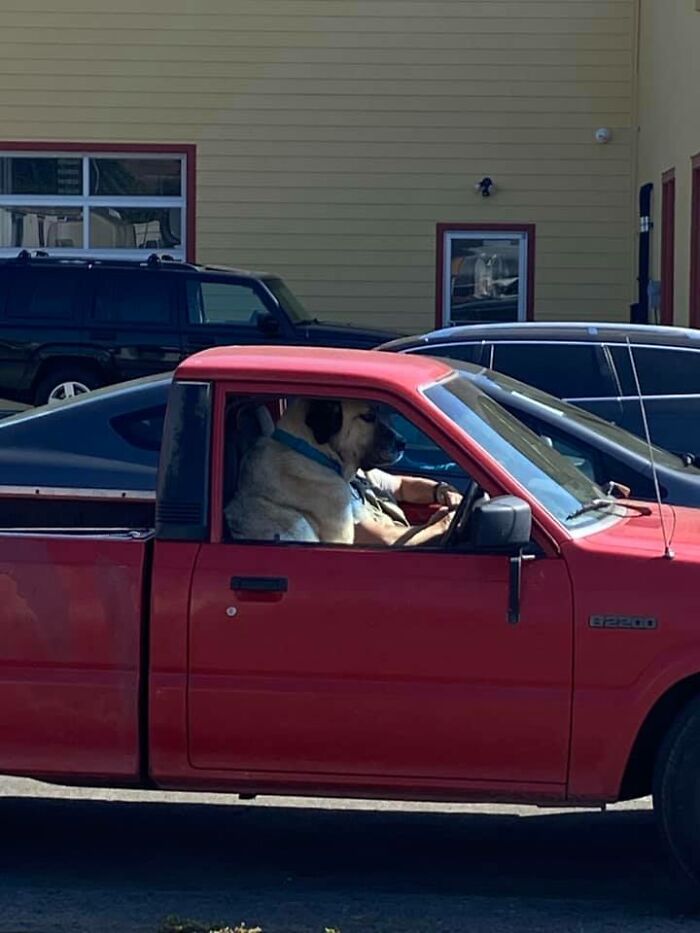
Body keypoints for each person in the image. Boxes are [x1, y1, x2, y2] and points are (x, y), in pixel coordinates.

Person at [351, 469, 462, 547]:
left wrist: (439, 491)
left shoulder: (357, 472)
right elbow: (383, 539)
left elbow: (400, 486)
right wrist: (441, 526)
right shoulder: (336, 490)